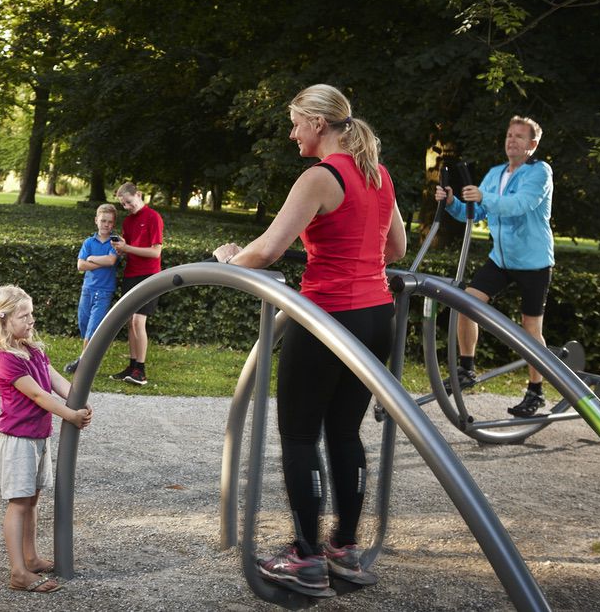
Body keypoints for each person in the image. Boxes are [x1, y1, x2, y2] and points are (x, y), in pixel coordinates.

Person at [213, 84, 407, 596]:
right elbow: (397, 245)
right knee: (344, 432)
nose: (293, 132)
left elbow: (269, 249)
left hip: (326, 316)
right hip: (375, 315)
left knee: (299, 435)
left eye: (297, 122)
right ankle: (343, 546)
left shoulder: (321, 177)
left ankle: (305, 556)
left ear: (319, 124)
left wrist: (231, 259)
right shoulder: (378, 173)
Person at [0, 285, 93, 594]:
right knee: (18, 502)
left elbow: (55, 381)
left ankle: (31, 556)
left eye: (31, 314)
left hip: (38, 437)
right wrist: (70, 415)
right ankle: (18, 572)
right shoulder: (5, 359)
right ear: (2, 320)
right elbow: (39, 395)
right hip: (16, 439)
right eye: (23, 315)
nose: (31, 320)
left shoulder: (33, 349)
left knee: (32, 499)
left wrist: (77, 398)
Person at [435, 116, 553, 418]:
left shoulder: (539, 172)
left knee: (530, 329)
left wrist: (484, 196)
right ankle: (467, 369)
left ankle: (535, 391)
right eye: (509, 135)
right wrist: (452, 203)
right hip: (501, 259)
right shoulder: (495, 173)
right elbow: (474, 213)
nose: (512, 140)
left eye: (520, 137)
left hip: (533, 263)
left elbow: (519, 205)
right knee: (466, 304)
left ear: (533, 144)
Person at [108, 183, 163, 386]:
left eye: (129, 202)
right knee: (130, 322)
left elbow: (155, 252)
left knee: (139, 322)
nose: (127, 207)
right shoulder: (129, 222)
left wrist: (127, 247)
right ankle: (132, 367)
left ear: (138, 195)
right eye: (123, 204)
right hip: (131, 274)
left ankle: (141, 370)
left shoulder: (153, 217)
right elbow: (129, 249)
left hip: (149, 275)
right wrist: (121, 249)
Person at [64, 203, 120, 374]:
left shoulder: (115, 242)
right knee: (84, 324)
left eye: (110, 222)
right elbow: (80, 265)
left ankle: (84, 364)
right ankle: (87, 358)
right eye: (103, 221)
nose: (106, 225)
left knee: (93, 328)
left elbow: (111, 261)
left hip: (103, 292)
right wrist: (98, 261)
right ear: (96, 220)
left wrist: (92, 258)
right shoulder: (88, 242)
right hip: (87, 290)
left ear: (113, 224)